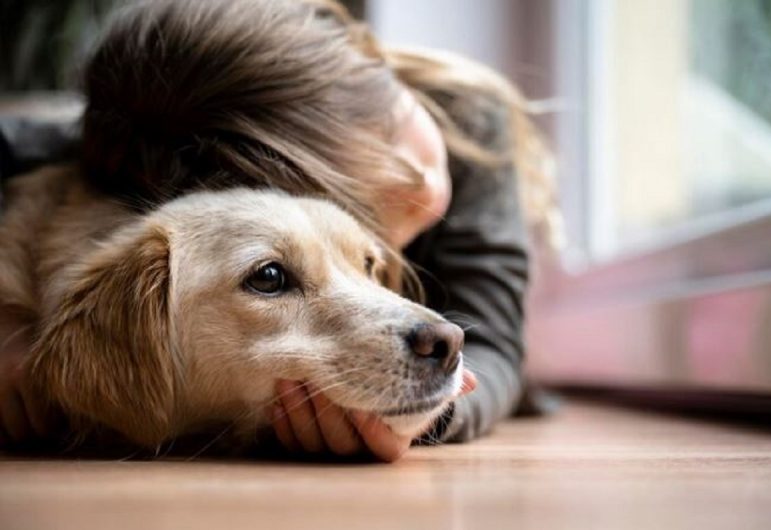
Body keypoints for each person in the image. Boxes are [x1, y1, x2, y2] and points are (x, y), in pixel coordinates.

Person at [0, 0, 557, 461]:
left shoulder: (463, 129)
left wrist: (431, 415)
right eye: (271, 276)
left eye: (369, 258)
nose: (420, 187)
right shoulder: (131, 168)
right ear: (243, 187)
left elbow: (494, 346)